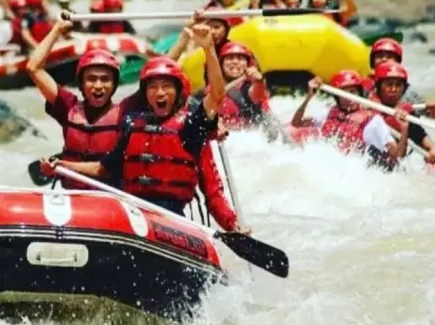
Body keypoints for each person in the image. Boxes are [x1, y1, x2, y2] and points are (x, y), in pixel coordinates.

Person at [40, 28, 251, 234]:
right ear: (145, 94)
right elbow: (103, 169)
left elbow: (216, 94)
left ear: (178, 92)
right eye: (153, 87)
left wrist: (208, 49)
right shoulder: (132, 124)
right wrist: (61, 165)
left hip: (170, 217)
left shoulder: (191, 126)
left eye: (166, 86)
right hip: (131, 211)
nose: (159, 93)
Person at [28, 15, 125, 189]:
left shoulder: (126, 113)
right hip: (72, 196)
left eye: (105, 79)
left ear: (114, 84)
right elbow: (33, 68)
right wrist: (57, 29)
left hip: (110, 199)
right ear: (81, 83)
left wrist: (186, 37)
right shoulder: (68, 107)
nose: (98, 86)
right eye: (91, 79)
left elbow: (155, 82)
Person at [290, 70, 410, 170]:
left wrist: (404, 129)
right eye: (344, 93)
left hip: (354, 170)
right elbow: (296, 122)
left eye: (353, 92)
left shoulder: (373, 121)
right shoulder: (328, 113)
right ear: (337, 96)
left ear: (359, 93)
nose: (349, 97)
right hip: (328, 167)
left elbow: (397, 157)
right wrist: (309, 97)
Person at [367, 62, 435, 163]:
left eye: (398, 85)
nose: (394, 89)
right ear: (379, 87)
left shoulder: (406, 115)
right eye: (389, 84)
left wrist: (432, 151)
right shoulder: (366, 110)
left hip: (391, 167)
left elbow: (426, 143)